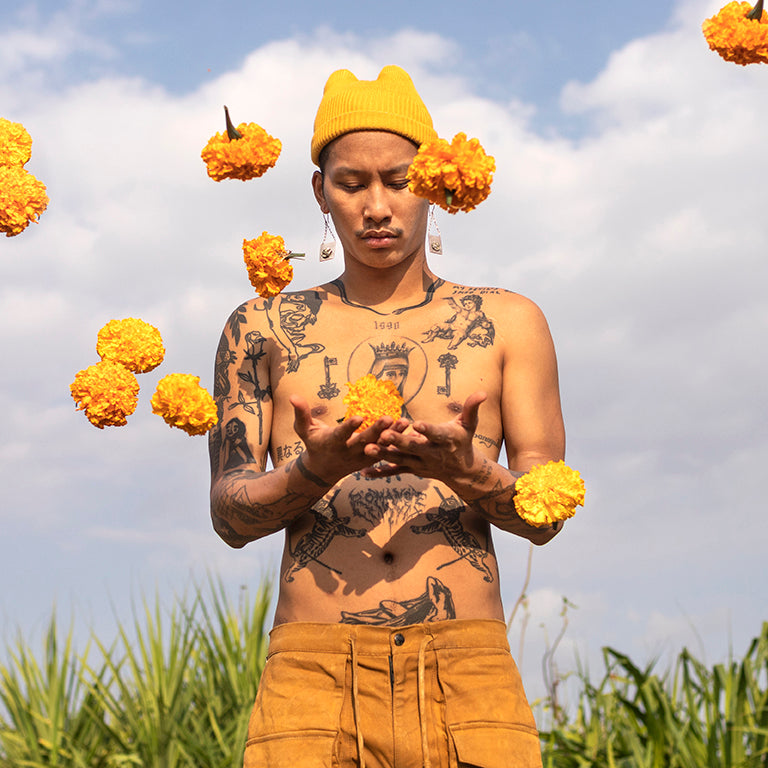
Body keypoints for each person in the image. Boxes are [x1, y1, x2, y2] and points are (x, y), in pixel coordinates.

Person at [208, 64, 565, 768]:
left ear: (431, 182)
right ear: (321, 191)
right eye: (351, 183)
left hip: (467, 670)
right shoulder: (261, 326)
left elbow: (546, 514)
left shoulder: (509, 321)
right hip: (313, 677)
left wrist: (465, 470)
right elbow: (229, 514)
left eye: (398, 181)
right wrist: (314, 471)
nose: (377, 206)